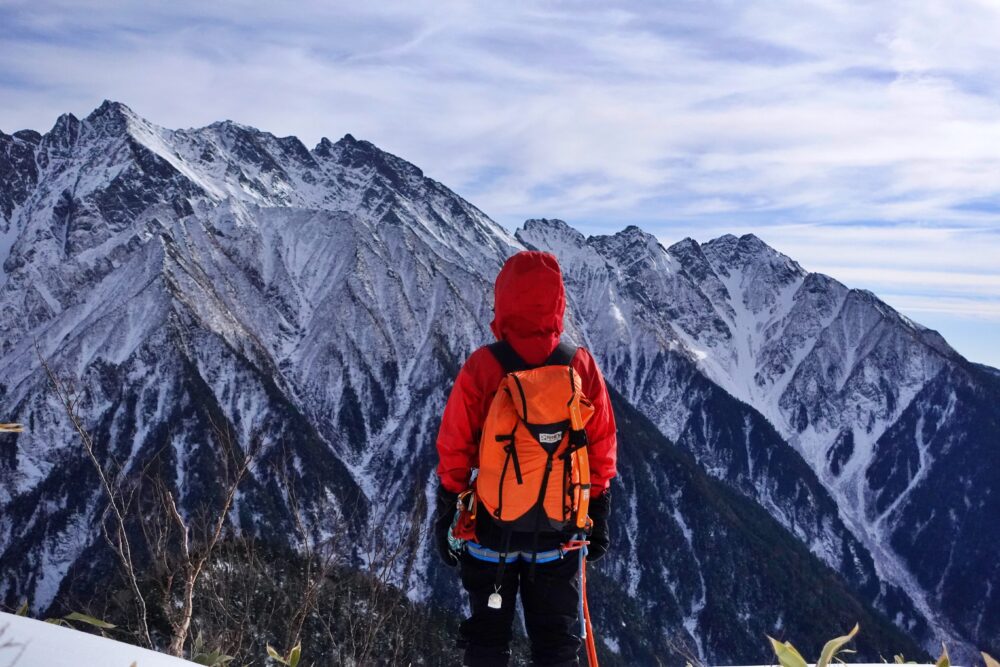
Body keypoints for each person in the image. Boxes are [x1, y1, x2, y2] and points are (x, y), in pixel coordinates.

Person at [434, 250, 618, 667]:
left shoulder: (483, 367)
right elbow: (601, 446)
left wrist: (447, 510)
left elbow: (455, 447)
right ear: (558, 303)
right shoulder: (579, 364)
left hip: (489, 536)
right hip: (560, 533)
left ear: (503, 301)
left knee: (486, 642)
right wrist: (599, 510)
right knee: (556, 644)